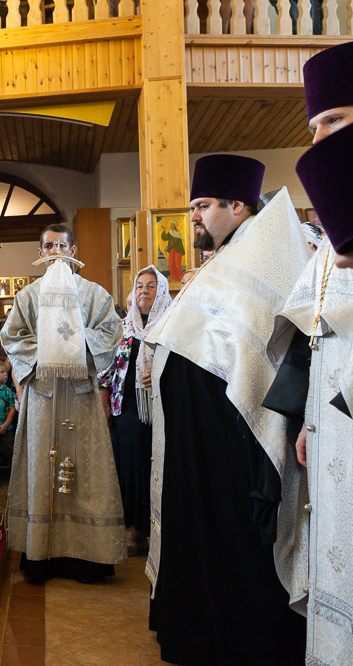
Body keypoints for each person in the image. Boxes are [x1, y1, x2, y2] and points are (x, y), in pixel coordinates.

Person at [145, 154, 310, 664]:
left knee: (230, 541)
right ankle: (197, 628)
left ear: (237, 205)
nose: (193, 216)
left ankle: (235, 640)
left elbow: (263, 349)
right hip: (199, 440)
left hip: (231, 444)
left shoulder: (261, 256)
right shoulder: (229, 256)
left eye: (202, 205)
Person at [263, 41, 353, 663]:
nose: (319, 140)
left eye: (335, 120)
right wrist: (306, 419)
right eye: (314, 126)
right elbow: (312, 334)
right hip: (331, 433)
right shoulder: (326, 247)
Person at [1, 223, 125, 584]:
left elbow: (111, 332)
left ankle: (90, 558)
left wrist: (72, 345)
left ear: (73, 252)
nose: (55, 252)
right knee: (42, 470)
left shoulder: (94, 294)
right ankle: (40, 555)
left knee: (86, 473)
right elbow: (12, 336)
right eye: (49, 246)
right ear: (40, 254)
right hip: (43, 396)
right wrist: (49, 349)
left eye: (62, 246)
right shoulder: (28, 296)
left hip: (81, 396)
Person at [98, 266, 172, 556]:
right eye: (140, 285)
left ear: (161, 292)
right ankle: (134, 529)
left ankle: (158, 531)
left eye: (151, 286)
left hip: (163, 409)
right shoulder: (123, 328)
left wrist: (162, 373)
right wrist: (104, 407)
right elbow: (105, 371)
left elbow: (184, 367)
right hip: (126, 410)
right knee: (130, 469)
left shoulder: (170, 326)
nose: (144, 291)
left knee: (157, 469)